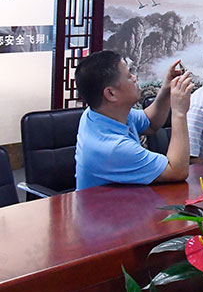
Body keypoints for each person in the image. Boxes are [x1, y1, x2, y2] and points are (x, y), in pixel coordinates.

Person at [74, 50, 193, 189]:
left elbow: (151, 123)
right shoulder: (113, 148)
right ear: (111, 93)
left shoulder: (100, 113)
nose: (135, 78)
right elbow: (177, 170)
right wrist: (179, 112)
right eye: (129, 76)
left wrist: (166, 89)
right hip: (108, 210)